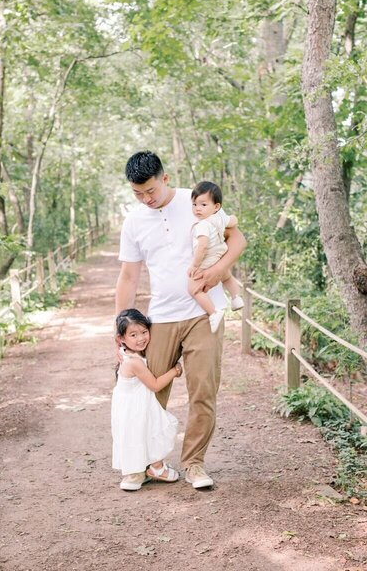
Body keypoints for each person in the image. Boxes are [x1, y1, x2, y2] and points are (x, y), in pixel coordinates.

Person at [115, 151, 247, 490]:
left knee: (203, 391)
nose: (146, 199)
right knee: (148, 392)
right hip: (160, 318)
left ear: (165, 178)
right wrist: (120, 330)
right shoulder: (134, 222)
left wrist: (217, 271)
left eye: (151, 191)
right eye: (137, 193)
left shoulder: (198, 202)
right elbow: (129, 277)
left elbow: (238, 238)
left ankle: (194, 464)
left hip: (205, 314)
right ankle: (143, 463)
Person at [112, 308, 182, 491]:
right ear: (122, 338)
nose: (141, 338)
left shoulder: (130, 352)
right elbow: (156, 385)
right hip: (132, 407)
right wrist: (175, 371)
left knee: (144, 432)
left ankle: (143, 469)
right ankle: (151, 468)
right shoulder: (133, 361)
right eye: (133, 335)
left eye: (144, 332)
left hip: (134, 403)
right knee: (145, 432)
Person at [188, 180, 244, 334]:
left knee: (194, 289)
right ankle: (236, 297)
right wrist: (232, 219)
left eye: (203, 205)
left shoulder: (202, 225)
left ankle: (213, 313)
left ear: (216, 206)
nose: (198, 209)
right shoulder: (219, 217)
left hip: (207, 259)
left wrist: (195, 265)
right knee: (226, 276)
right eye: (194, 204)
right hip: (220, 254)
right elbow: (233, 221)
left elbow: (202, 246)